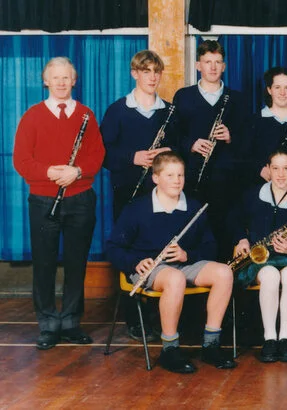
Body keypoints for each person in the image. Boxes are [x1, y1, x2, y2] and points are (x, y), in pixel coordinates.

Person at [107, 151, 236, 373]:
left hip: (185, 264)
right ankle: (170, 350)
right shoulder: (137, 208)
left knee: (224, 272)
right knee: (175, 279)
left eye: (180, 175)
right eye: (170, 175)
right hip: (150, 268)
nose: (177, 181)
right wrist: (134, 262)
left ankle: (211, 345)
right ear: (155, 178)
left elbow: (210, 246)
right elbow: (113, 247)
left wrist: (188, 255)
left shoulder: (194, 207)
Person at [13, 57, 105, 350]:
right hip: (43, 199)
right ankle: (48, 324)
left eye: (67, 78)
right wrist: (50, 173)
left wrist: (77, 171)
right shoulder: (32, 116)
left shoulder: (86, 115)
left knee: (77, 263)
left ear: (74, 81)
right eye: (56, 78)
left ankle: (70, 322)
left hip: (80, 197)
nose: (62, 83)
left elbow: (96, 155)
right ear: (46, 81)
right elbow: (22, 160)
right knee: (44, 263)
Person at [102, 49, 174, 342]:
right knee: (131, 252)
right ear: (135, 74)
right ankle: (135, 318)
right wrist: (134, 157)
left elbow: (178, 148)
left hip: (160, 196)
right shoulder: (118, 110)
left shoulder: (168, 111)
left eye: (156, 72)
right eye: (146, 72)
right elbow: (103, 154)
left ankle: (159, 317)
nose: (152, 77)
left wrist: (168, 152)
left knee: (159, 249)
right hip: (128, 194)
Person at [231, 149, 287, 363]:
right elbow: (232, 221)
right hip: (259, 261)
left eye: (286, 168)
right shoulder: (252, 195)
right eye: (276, 168)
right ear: (268, 169)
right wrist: (241, 239)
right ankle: (270, 338)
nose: (280, 175)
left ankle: (285, 338)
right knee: (270, 275)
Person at [172, 39, 250, 262]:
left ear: (224, 66)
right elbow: (173, 136)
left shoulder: (239, 100)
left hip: (228, 185)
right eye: (208, 62)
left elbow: (250, 142)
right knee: (194, 237)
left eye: (218, 62)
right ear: (198, 65)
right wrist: (191, 144)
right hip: (193, 182)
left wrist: (231, 136)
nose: (213, 67)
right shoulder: (183, 97)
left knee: (226, 238)